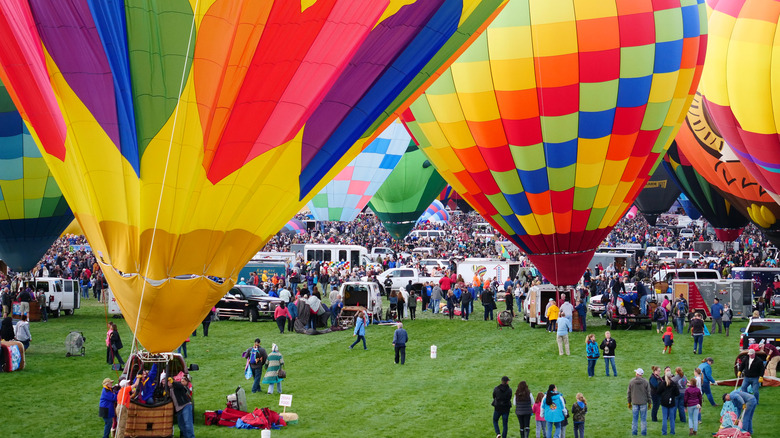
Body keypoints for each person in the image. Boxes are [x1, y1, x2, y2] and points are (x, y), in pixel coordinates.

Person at [627, 368, 651, 436]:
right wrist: (649, 402)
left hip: (634, 403)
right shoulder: (646, 382)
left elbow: (628, 393)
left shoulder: (631, 381)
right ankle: (643, 433)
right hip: (643, 403)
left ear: (637, 374)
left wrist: (629, 402)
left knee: (635, 419)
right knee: (643, 419)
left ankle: (634, 433)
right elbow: (648, 393)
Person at [658, 368, 680, 435]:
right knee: (672, 418)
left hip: (664, 402)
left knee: (664, 418)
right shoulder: (673, 384)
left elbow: (658, 392)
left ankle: (664, 432)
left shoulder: (662, 384)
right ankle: (672, 432)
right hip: (672, 402)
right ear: (671, 376)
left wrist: (663, 395)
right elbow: (677, 393)